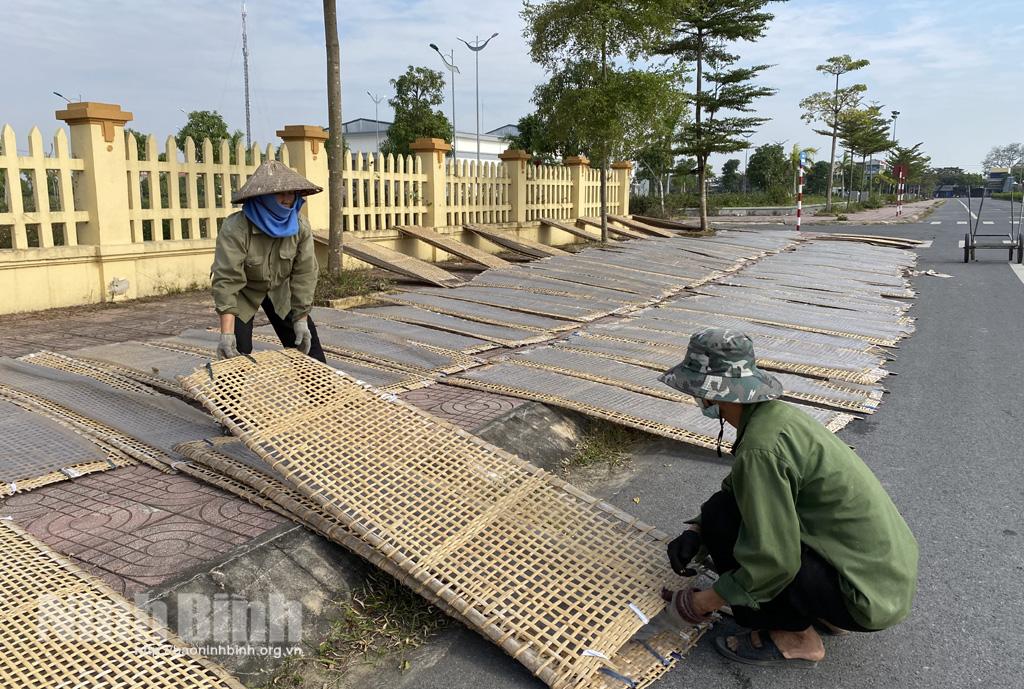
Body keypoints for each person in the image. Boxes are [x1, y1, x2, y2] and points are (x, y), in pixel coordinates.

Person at [658, 328, 918, 668]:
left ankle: (798, 636)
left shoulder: (761, 448)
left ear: (710, 394)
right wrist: (696, 531)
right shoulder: (777, 418)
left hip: (866, 598)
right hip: (881, 579)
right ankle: (823, 610)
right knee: (720, 513)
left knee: (738, 536)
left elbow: (773, 561)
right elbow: (737, 491)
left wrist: (702, 602)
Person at [212, 160, 327, 363]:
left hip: (280, 290)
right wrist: (226, 333)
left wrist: (301, 319)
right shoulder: (236, 228)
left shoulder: (300, 227)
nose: (287, 199)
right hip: (243, 292)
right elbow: (227, 279)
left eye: (291, 193)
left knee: (308, 349)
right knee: (235, 356)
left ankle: (321, 395)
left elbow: (305, 274)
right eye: (280, 193)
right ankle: (229, 394)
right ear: (262, 196)